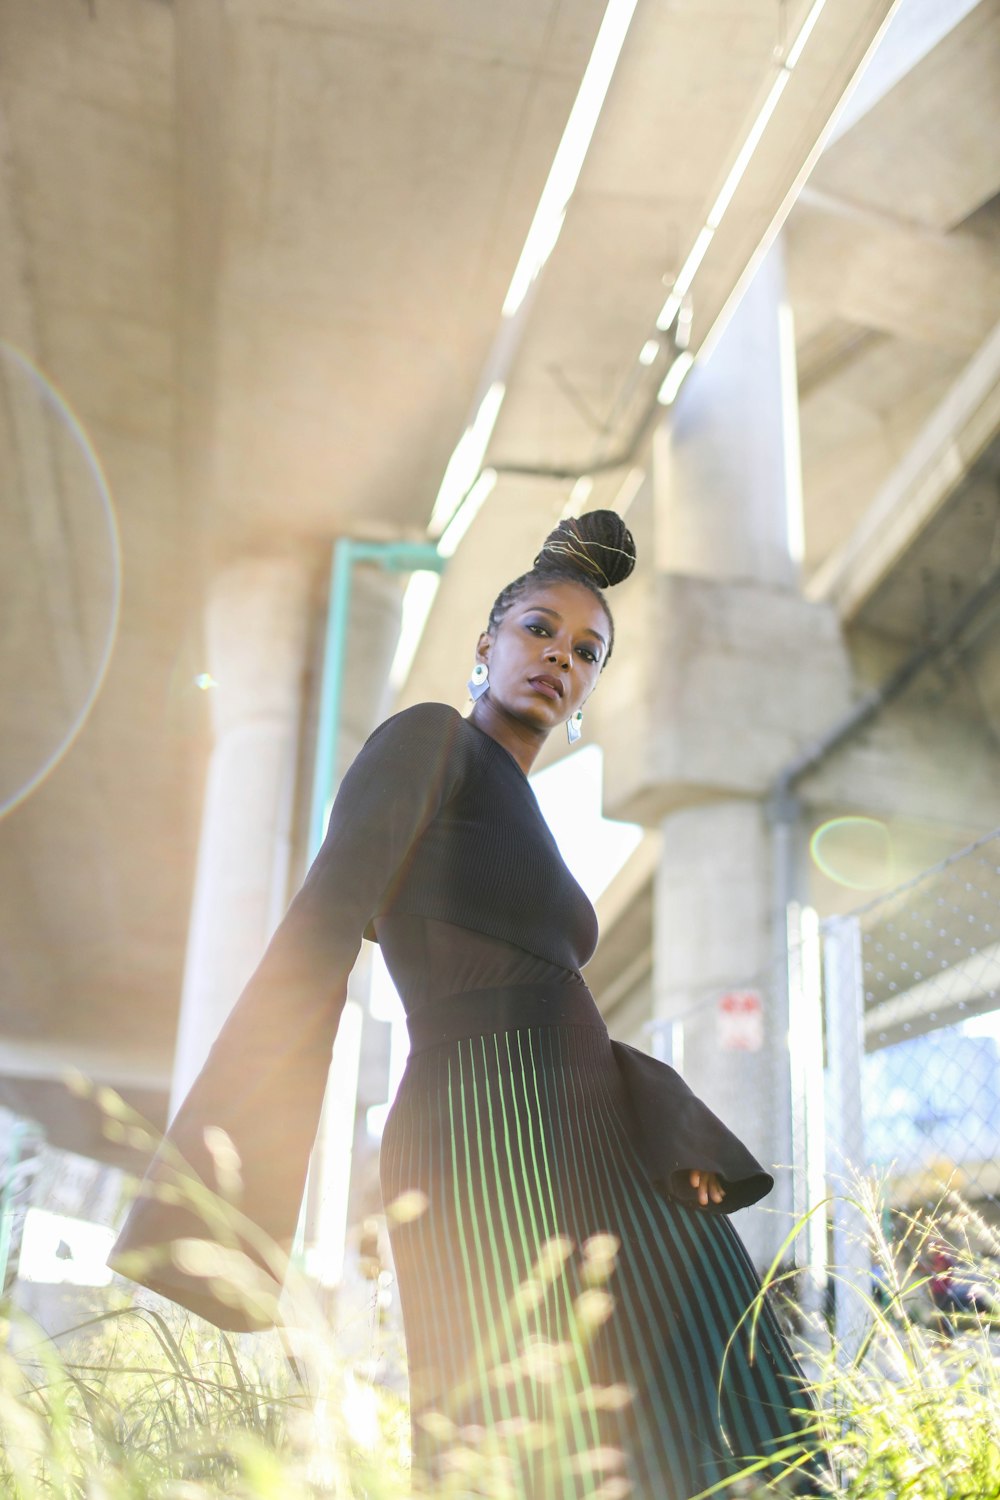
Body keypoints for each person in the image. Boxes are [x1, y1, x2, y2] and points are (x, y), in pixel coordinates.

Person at [111, 511, 823, 1497]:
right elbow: (324, 922)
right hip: (489, 1123)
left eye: (586, 652)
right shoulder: (427, 742)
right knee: (527, 1430)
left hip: (605, 1142)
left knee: (727, 1394)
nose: (557, 659)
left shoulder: (522, 807)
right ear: (483, 643)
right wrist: (222, 1200)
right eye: (537, 629)